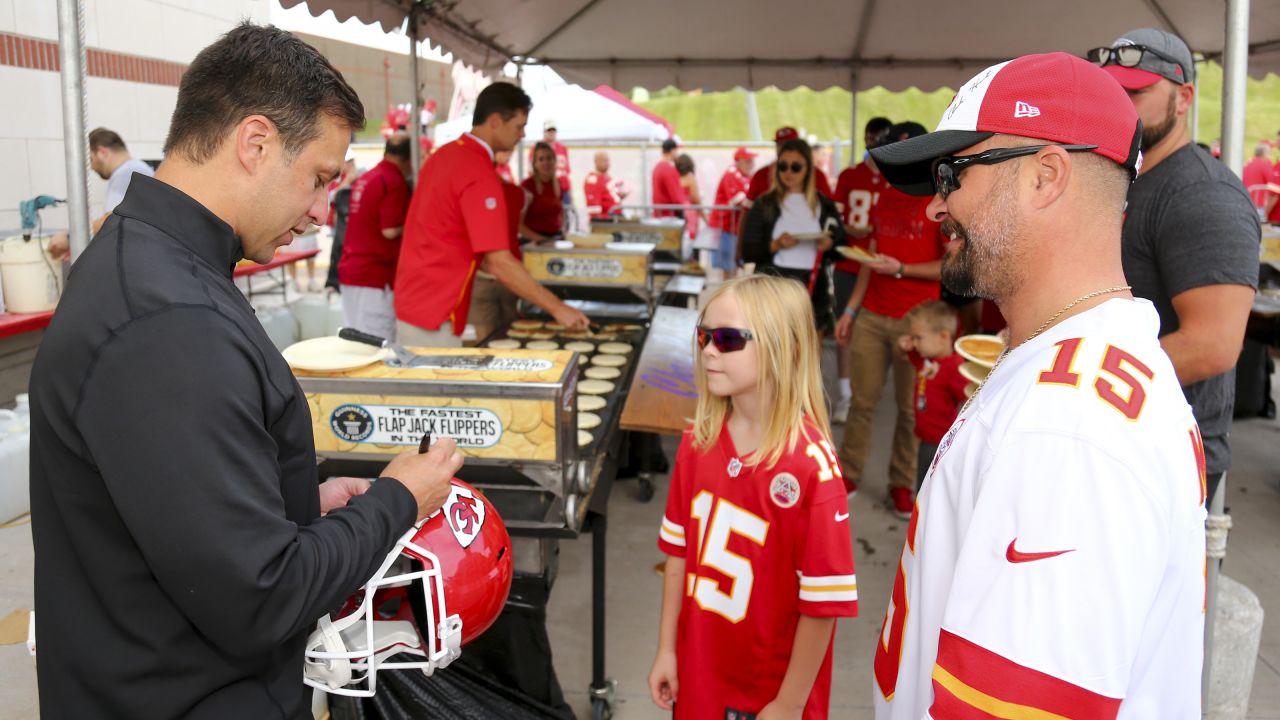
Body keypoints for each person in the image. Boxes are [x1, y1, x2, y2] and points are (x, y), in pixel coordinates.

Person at [27, 23, 463, 718]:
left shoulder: (148, 264)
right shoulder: (168, 322)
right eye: (319, 178)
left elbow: (173, 509)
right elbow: (263, 595)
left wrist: (291, 505)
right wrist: (398, 499)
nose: (323, 211)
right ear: (255, 144)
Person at [868, 51, 1207, 718]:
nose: (936, 205)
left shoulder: (1069, 430)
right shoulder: (1072, 365)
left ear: (1045, 175)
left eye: (952, 173)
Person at [647, 274, 857, 720]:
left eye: (728, 339)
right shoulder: (697, 440)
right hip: (699, 670)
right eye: (704, 336)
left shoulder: (811, 467)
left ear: (784, 348)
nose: (708, 350)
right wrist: (667, 649)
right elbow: (678, 556)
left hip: (769, 693)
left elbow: (823, 606)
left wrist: (788, 704)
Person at [1092, 28, 1259, 506]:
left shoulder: (1202, 195)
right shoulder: (1126, 175)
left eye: (1137, 92)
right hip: (1113, 440)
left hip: (1163, 455)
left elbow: (1212, 346)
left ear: (1184, 98)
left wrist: (1083, 384)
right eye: (1114, 91)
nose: (1122, 104)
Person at [395, 82, 589, 347]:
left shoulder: (445, 155)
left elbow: (465, 243)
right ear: (495, 121)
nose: (521, 135)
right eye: (519, 126)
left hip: (416, 301)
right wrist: (557, 307)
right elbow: (497, 260)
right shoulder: (477, 171)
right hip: (435, 310)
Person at [834, 122, 945, 516]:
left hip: (918, 323)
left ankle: (901, 484)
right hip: (873, 315)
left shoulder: (938, 201)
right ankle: (848, 473)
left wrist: (901, 269)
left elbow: (949, 266)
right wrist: (851, 310)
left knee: (910, 409)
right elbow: (871, 261)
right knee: (862, 402)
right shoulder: (884, 198)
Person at [741, 138, 845, 332]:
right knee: (772, 352)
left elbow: (842, 245)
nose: (788, 173)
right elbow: (748, 251)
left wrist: (829, 244)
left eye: (796, 167)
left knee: (809, 354)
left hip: (812, 290)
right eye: (783, 166)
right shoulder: (764, 204)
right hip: (772, 288)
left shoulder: (823, 204)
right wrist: (776, 244)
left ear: (808, 169)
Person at [831, 117, 891, 420]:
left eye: (880, 137)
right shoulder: (850, 176)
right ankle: (845, 394)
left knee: (880, 335)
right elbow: (835, 219)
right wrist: (850, 230)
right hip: (852, 263)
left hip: (884, 269)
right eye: (871, 136)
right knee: (846, 330)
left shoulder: (896, 178)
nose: (874, 142)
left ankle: (868, 393)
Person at [338, 132, 413, 340]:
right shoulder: (394, 180)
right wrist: (414, 224)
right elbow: (389, 230)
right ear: (408, 159)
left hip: (351, 270)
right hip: (375, 275)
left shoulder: (367, 177)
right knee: (375, 344)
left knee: (352, 339)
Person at [47, 128, 156, 260]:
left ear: (102, 152)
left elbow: (113, 220)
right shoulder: (136, 168)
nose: (92, 168)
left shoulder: (126, 173)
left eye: (91, 159)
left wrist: (71, 237)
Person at [895, 300, 968, 490]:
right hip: (925, 436)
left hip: (938, 441)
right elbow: (909, 354)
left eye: (919, 338)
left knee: (927, 488)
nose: (915, 343)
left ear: (943, 336)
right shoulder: (927, 360)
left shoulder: (955, 367)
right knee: (924, 483)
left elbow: (970, 396)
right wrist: (904, 346)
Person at [469, 151, 528, 342]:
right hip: (510, 270)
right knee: (514, 338)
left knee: (484, 342)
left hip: (483, 273)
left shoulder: (472, 194)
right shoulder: (516, 192)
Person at [746, 127, 835, 204]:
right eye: (780, 144)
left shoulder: (816, 175)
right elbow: (748, 207)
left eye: (788, 144)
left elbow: (829, 207)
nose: (784, 148)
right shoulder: (761, 175)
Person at [707, 147, 755, 278]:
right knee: (728, 267)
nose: (751, 164)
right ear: (739, 161)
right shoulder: (731, 174)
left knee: (735, 266)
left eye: (751, 161)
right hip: (725, 228)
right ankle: (727, 295)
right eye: (747, 161)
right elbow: (738, 200)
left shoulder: (746, 176)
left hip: (735, 229)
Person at [324, 148, 359, 293]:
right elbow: (331, 196)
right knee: (337, 254)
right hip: (338, 223)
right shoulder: (336, 177)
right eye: (348, 162)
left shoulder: (358, 177)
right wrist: (348, 181)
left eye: (351, 162)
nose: (350, 165)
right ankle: (335, 282)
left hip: (352, 225)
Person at [521, 141, 564, 242]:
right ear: (535, 163)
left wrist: (562, 231)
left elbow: (561, 213)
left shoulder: (557, 184)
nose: (546, 162)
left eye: (549, 158)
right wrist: (542, 240)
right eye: (541, 159)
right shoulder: (527, 185)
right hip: (533, 242)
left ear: (554, 161)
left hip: (555, 238)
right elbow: (518, 225)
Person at [530, 118, 572, 203]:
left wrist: (571, 195)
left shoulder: (562, 148)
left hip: (563, 190)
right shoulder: (537, 148)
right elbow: (532, 171)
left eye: (553, 130)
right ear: (544, 132)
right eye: (549, 130)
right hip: (547, 190)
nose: (551, 133)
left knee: (566, 213)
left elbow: (566, 172)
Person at [584, 151, 626, 221]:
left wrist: (620, 196)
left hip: (617, 216)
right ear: (596, 162)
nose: (607, 163)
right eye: (604, 161)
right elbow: (593, 204)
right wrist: (598, 219)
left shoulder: (607, 177)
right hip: (606, 219)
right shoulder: (593, 179)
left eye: (608, 161)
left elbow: (609, 195)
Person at [652, 137, 687, 218]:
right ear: (673, 151)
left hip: (658, 214)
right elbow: (677, 198)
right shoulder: (669, 169)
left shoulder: (656, 168)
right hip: (669, 217)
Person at [675, 153, 703, 240]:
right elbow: (696, 199)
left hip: (678, 213)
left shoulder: (675, 178)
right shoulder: (690, 178)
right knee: (691, 240)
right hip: (690, 214)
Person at [1243, 142, 1274, 211]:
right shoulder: (1264, 163)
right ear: (1265, 154)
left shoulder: (1249, 162)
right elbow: (1272, 181)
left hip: (1246, 199)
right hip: (1258, 202)